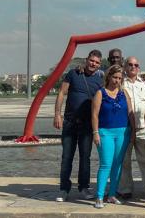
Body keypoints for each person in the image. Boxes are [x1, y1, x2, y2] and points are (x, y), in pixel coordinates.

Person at [54, 49, 104, 202]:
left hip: (87, 125)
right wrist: (57, 114)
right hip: (70, 122)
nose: (93, 64)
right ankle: (64, 189)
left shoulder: (100, 79)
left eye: (96, 62)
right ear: (86, 60)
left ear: (99, 64)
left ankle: (83, 187)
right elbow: (62, 92)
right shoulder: (74, 73)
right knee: (66, 157)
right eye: (91, 60)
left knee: (85, 158)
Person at [91, 65, 136, 208]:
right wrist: (95, 132)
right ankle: (99, 196)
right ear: (109, 77)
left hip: (123, 132)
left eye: (119, 78)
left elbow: (130, 113)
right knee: (106, 164)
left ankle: (111, 195)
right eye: (115, 77)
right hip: (105, 133)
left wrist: (134, 131)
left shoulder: (124, 93)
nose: (117, 81)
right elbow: (94, 115)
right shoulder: (100, 93)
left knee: (117, 165)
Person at [118, 56, 145, 199]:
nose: (133, 67)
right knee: (124, 161)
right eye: (130, 64)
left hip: (143, 127)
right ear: (125, 66)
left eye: (136, 65)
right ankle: (125, 189)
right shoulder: (119, 82)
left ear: (139, 67)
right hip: (124, 128)